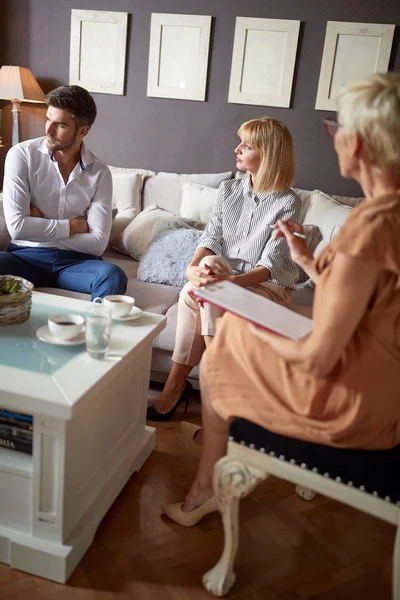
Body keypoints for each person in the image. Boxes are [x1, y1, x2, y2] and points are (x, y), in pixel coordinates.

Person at [162, 71, 400, 526]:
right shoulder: (386, 216)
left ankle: (203, 491)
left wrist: (244, 332)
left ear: (361, 145)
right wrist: (308, 261)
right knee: (222, 339)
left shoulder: (367, 227)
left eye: (338, 128)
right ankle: (214, 465)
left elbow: (316, 359)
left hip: (356, 406)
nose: (335, 138)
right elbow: (364, 294)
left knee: (219, 356)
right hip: (384, 387)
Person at [147, 117, 301, 421]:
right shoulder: (228, 190)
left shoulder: (288, 202)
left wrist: (230, 282)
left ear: (268, 154)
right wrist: (192, 269)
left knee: (204, 292)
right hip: (222, 280)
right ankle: (215, 386)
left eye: (247, 145)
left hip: (265, 288)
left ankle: (180, 386)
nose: (237, 149)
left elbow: (269, 266)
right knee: (201, 275)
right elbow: (211, 238)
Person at [0, 85, 127, 300]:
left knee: (113, 276)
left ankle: (94, 332)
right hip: (25, 257)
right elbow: (18, 228)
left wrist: (41, 226)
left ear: (82, 131)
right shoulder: (21, 156)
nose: (48, 129)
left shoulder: (100, 173)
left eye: (59, 125)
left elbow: (97, 243)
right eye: (48, 118)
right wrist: (74, 226)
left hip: (76, 263)